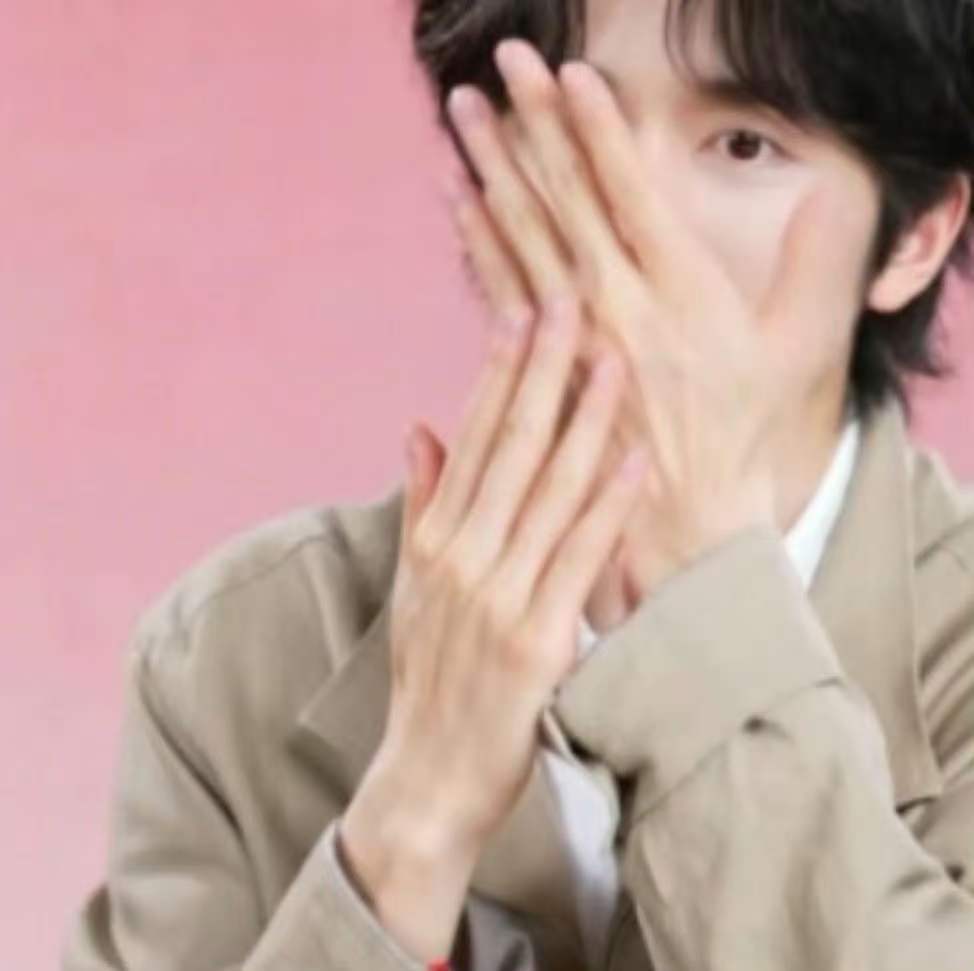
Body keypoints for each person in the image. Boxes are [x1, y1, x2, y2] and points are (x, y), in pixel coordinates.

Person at [63, 1, 974, 969]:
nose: (631, 209)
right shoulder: (227, 655)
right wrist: (409, 827)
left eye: (744, 145)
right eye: (572, 123)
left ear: (914, 234)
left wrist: (706, 603)